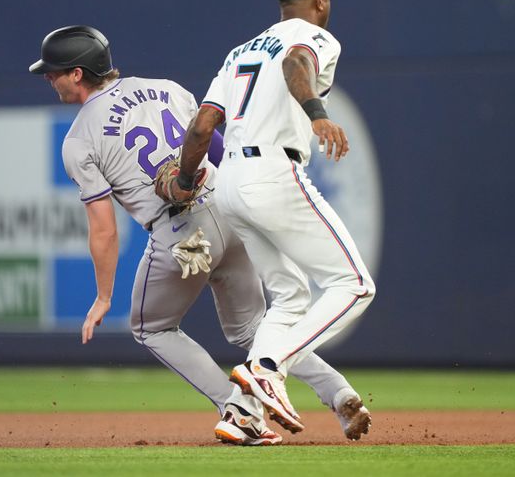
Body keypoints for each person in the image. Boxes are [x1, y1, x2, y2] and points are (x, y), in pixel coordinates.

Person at [29, 24, 371, 444]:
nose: (48, 77)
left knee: (149, 327)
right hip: (227, 210)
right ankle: (338, 391)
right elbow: (214, 144)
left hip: (180, 232)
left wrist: (103, 296)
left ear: (78, 73)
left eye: (54, 71)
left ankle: (238, 408)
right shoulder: (167, 88)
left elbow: (104, 230)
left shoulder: (78, 139)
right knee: (253, 329)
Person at [155, 0, 376, 434]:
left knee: (290, 297)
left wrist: (186, 181)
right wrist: (316, 113)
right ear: (320, 0)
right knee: (354, 284)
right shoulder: (315, 36)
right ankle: (269, 370)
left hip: (230, 180)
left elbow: (202, 127)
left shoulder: (239, 52)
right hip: (273, 171)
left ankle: (243, 414)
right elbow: (296, 62)